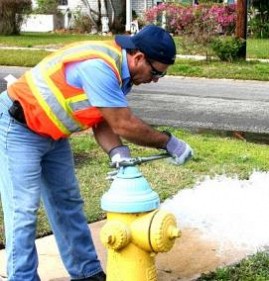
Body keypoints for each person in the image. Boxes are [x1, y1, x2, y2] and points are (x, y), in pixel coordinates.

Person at [0, 24, 193, 281]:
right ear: (138, 58)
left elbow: (101, 117)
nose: (156, 79)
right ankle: (21, 277)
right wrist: (168, 142)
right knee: (23, 210)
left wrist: (117, 150)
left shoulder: (123, 76)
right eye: (156, 72)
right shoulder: (100, 66)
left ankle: (86, 273)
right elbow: (122, 123)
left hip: (53, 134)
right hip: (18, 127)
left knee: (67, 203)